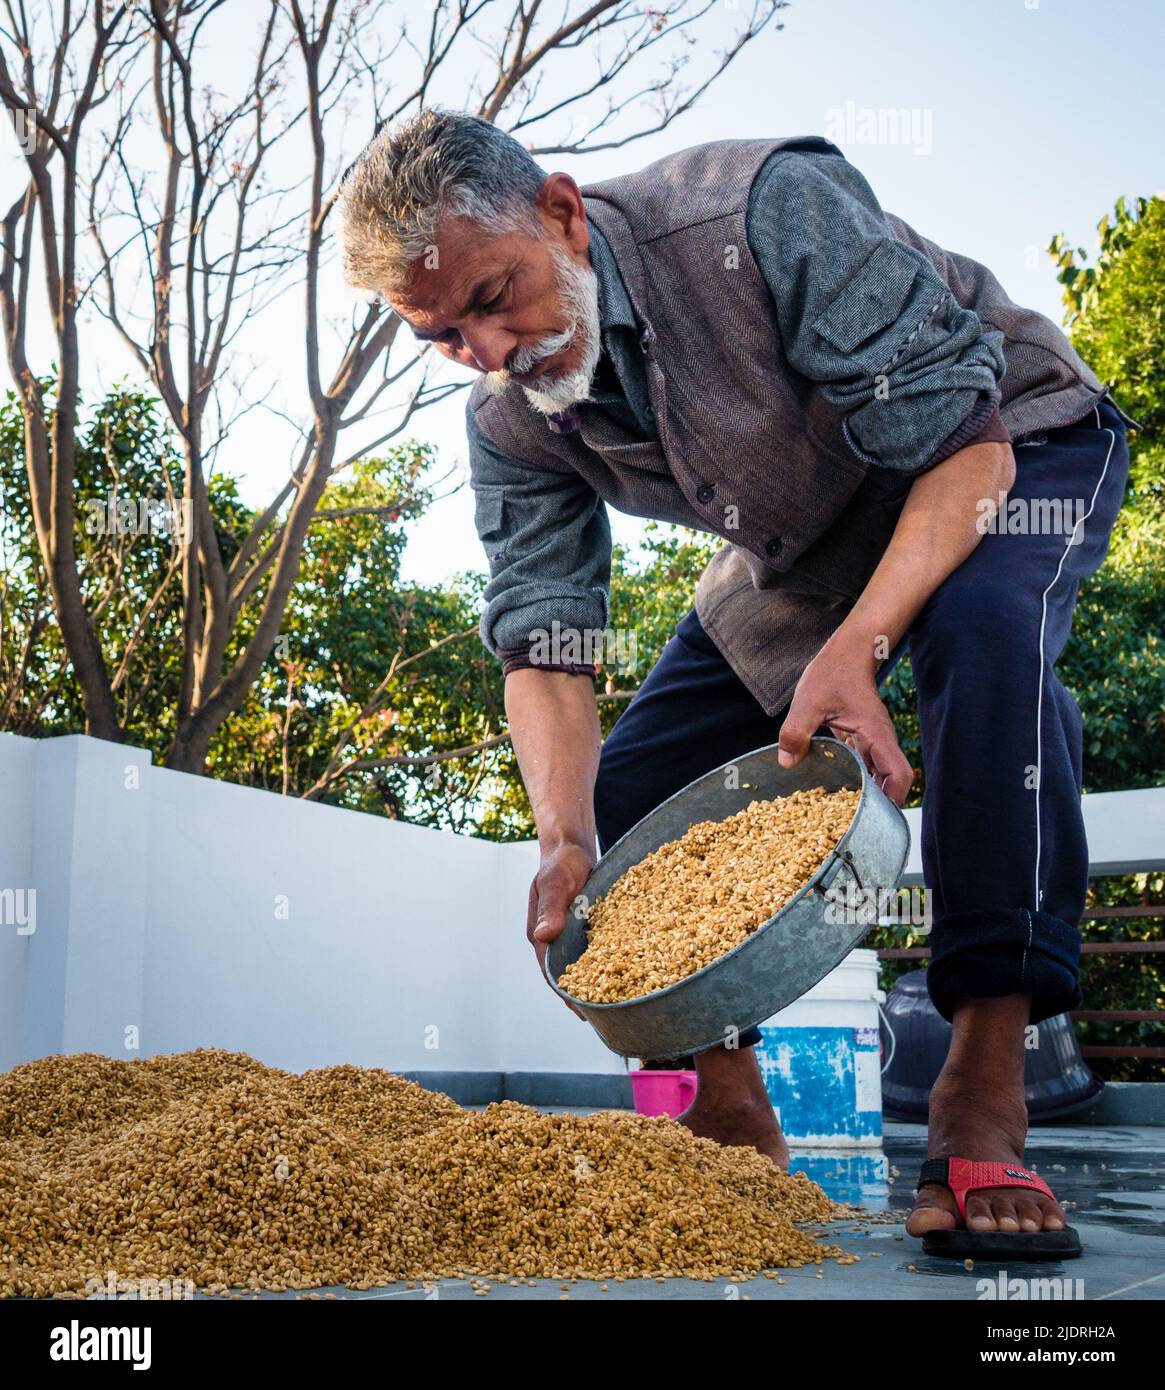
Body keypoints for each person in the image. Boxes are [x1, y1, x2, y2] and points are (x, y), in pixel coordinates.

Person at [339, 109, 1135, 1257]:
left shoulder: (753, 211)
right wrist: (563, 836)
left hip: (1006, 443)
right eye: (441, 334)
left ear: (560, 211)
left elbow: (968, 447)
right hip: (810, 536)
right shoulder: (510, 422)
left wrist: (859, 649)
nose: (490, 350)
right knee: (633, 787)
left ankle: (984, 1075)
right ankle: (724, 1102)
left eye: (494, 295)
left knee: (985, 633)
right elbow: (546, 649)